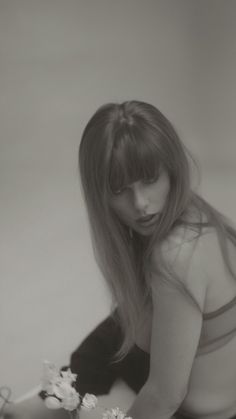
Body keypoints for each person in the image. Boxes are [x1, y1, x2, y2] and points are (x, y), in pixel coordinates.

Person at [3, 100, 236, 419]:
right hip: (184, 370)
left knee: (120, 328)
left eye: (150, 179)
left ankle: (45, 408)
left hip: (192, 411)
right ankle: (38, 407)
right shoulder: (189, 213)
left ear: (171, 168)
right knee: (115, 327)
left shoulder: (176, 254)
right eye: (119, 189)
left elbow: (164, 397)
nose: (141, 203)